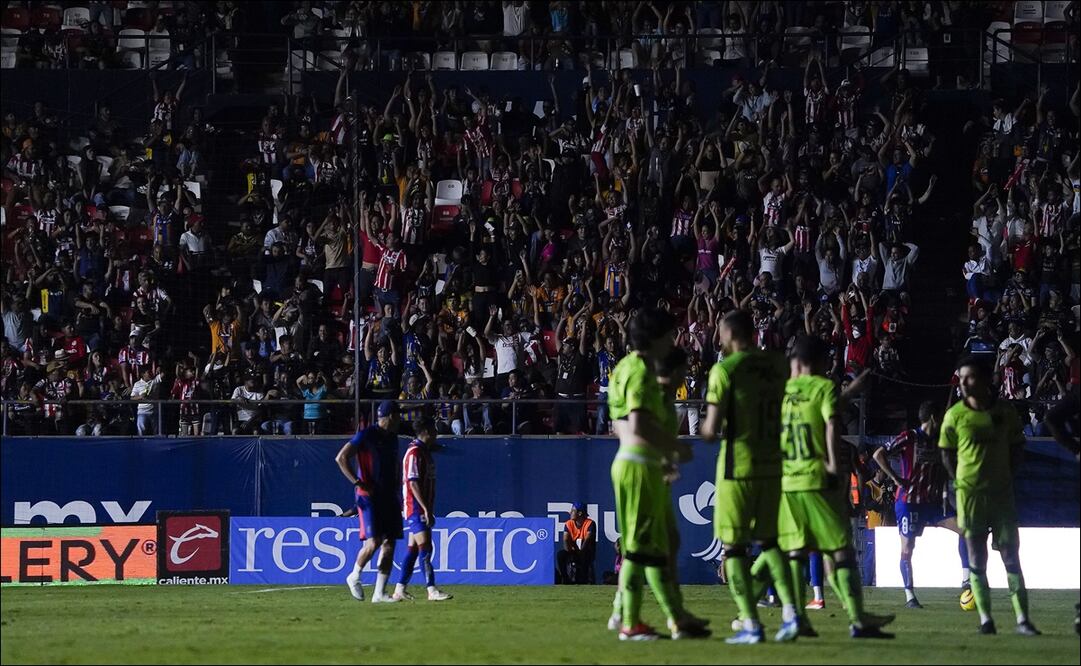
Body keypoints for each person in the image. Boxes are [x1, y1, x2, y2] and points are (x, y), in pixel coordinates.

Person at [779, 336, 895, 639]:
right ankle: (858, 620)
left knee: (795, 552)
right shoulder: (823, 387)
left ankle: (793, 617)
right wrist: (833, 467)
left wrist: (851, 391)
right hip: (817, 479)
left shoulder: (786, 392)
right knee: (840, 551)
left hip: (789, 481)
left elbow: (818, 407)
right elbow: (831, 423)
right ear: (817, 362)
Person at [605, 306, 708, 641]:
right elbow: (638, 422)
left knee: (656, 544)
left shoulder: (622, 368)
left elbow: (621, 422)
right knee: (639, 548)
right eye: (669, 335)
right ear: (655, 338)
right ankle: (629, 621)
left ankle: (674, 617)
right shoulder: (640, 371)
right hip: (638, 464)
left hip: (638, 461)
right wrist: (674, 447)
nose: (672, 341)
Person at [700, 309, 801, 644]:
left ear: (730, 334)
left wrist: (704, 427)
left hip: (737, 468)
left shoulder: (724, 370)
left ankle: (751, 624)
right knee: (771, 542)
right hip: (772, 466)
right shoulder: (777, 365)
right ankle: (790, 612)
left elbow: (712, 430)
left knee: (734, 550)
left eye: (720, 331)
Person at [939, 356, 1040, 636]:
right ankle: (986, 620)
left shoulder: (1005, 412)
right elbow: (945, 451)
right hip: (969, 496)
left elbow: (1018, 447)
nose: (962, 383)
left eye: (968, 377)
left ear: (986, 380)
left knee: (1010, 556)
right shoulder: (954, 415)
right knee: (976, 558)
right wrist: (958, 479)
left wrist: (1008, 472)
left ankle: (1023, 620)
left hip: (1001, 495)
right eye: (960, 378)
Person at [872, 400, 971, 609]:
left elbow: (943, 469)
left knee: (966, 529)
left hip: (933, 504)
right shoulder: (910, 437)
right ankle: (910, 597)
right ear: (934, 417)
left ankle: (966, 579)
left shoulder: (941, 441)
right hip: (909, 503)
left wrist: (944, 494)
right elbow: (878, 454)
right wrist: (896, 479)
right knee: (907, 549)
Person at [335, 400, 404, 604]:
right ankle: (354, 575)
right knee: (373, 542)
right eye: (399, 415)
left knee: (389, 543)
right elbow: (341, 458)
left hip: (389, 496)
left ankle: (379, 593)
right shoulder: (367, 434)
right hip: (369, 498)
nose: (401, 419)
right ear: (391, 416)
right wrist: (358, 483)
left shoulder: (393, 438)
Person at [391, 418, 452, 602]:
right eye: (433, 429)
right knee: (426, 547)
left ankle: (399, 590)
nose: (435, 433)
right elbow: (413, 482)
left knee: (413, 549)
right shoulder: (414, 452)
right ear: (425, 431)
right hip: (415, 507)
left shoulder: (424, 453)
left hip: (420, 507)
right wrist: (425, 508)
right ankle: (431, 590)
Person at [558, 502, 596, 584]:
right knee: (561, 555)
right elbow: (565, 539)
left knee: (585, 555)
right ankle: (565, 579)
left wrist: (580, 552)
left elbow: (588, 540)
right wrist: (570, 551)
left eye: (573, 511)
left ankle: (583, 579)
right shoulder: (569, 523)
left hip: (585, 551)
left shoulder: (590, 523)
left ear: (580, 513)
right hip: (573, 550)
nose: (570, 513)